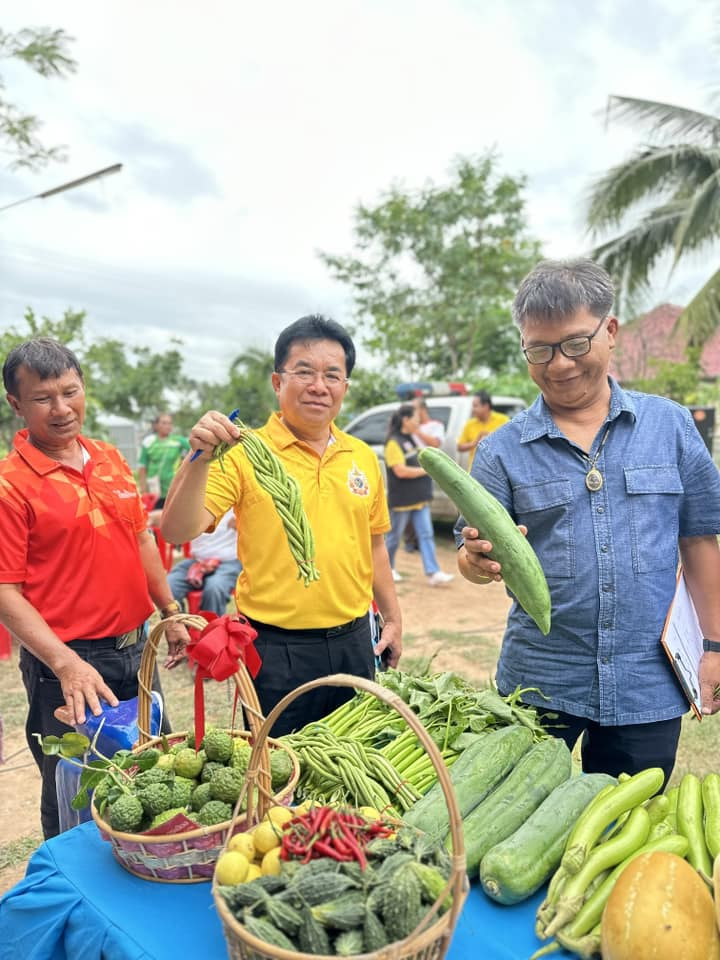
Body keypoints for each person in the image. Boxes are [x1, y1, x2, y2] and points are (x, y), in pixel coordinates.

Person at [456, 258, 720, 787]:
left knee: (625, 829)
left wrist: (714, 647)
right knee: (518, 825)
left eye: (576, 344)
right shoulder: (499, 451)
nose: (559, 365)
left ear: (611, 331)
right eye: (540, 349)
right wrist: (475, 562)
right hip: (539, 678)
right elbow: (470, 557)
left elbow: (699, 541)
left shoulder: (669, 425)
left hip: (647, 680)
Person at [160, 314, 402, 736]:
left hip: (354, 643)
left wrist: (394, 618)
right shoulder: (242, 453)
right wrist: (198, 456)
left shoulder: (362, 456)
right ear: (277, 382)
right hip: (275, 649)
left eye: (333, 375)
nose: (319, 385)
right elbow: (178, 530)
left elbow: (374, 543)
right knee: (275, 773)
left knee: (352, 769)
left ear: (345, 386)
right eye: (304, 371)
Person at [0, 338, 191, 839]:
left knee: (156, 779)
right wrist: (66, 664)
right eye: (43, 398)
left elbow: (142, 538)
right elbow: (5, 592)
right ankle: (70, 895)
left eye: (71, 391)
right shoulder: (10, 484)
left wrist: (168, 609)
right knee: (75, 792)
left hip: (136, 651)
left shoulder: (107, 456)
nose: (62, 409)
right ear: (16, 405)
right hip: (68, 665)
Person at [384, 404, 454, 587]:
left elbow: (432, 447)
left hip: (419, 498)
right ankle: (387, 569)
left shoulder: (411, 439)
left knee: (426, 534)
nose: (418, 421)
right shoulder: (394, 442)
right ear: (406, 420)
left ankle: (433, 573)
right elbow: (400, 471)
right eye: (415, 418)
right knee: (393, 537)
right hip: (403, 500)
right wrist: (425, 471)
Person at [167, 509, 242, 616]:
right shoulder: (196, 502)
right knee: (169, 586)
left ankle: (210, 628)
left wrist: (242, 523)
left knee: (214, 588)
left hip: (228, 561)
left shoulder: (235, 502)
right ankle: (181, 628)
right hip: (198, 560)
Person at [137, 412, 190, 508]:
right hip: (153, 489)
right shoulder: (148, 442)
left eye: (170, 423)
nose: (167, 426)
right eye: (164, 423)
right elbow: (142, 467)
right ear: (156, 425)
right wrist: (144, 491)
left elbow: (196, 448)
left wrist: (184, 462)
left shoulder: (178, 441)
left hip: (173, 489)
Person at [456, 389, 509, 470]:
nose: (473, 409)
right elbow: (459, 447)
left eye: (475, 406)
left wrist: (493, 438)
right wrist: (474, 443)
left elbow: (511, 442)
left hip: (498, 472)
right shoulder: (470, 424)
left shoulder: (503, 420)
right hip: (476, 472)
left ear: (486, 406)